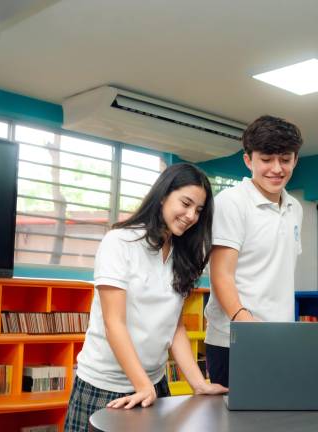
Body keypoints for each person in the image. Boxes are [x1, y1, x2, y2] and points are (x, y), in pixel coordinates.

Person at [65, 163, 227, 432]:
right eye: (185, 203)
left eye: (198, 210)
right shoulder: (119, 242)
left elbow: (174, 327)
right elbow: (114, 323)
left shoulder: (181, 255)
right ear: (163, 195)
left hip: (154, 385)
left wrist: (199, 384)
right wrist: (142, 385)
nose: (191, 216)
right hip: (105, 387)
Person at [204, 115, 304, 386]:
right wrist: (244, 321)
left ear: (295, 159)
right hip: (233, 339)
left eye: (285, 159)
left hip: (279, 338)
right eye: (266, 159)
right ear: (249, 160)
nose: (277, 168)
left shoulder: (296, 207)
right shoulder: (231, 203)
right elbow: (221, 274)